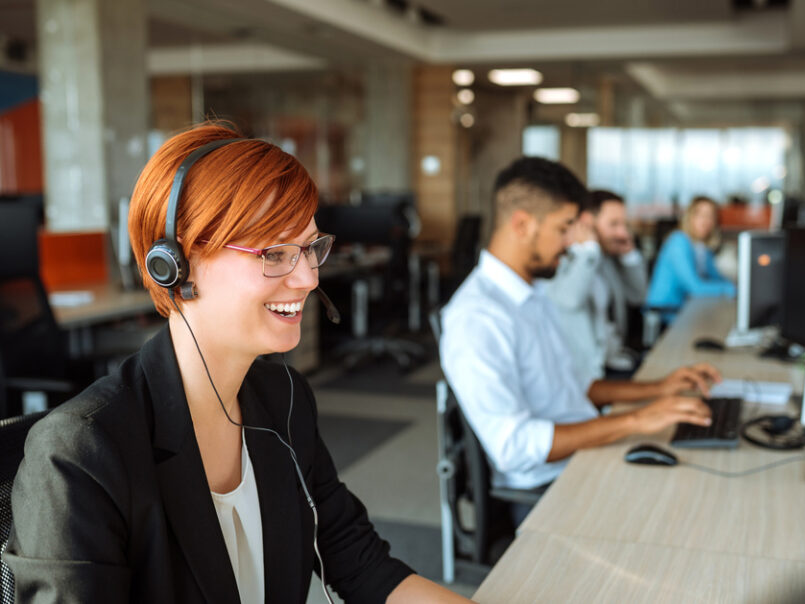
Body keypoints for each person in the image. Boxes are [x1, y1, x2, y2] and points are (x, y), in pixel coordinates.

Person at [3, 124, 470, 604]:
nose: (309, 278)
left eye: (310, 248)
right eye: (275, 253)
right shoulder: (81, 454)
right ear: (177, 262)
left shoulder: (283, 398)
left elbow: (365, 567)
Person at [439, 157, 718, 521]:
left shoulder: (533, 293)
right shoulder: (477, 318)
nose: (573, 243)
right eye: (564, 228)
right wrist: (637, 420)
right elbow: (514, 447)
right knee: (692, 511)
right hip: (548, 488)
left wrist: (658, 390)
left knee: (706, 481)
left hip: (587, 454)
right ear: (522, 224)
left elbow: (576, 387)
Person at [543, 189, 647, 383]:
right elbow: (569, 300)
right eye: (614, 224)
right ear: (587, 222)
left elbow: (638, 296)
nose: (623, 233)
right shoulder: (566, 258)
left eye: (624, 224)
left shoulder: (606, 259)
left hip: (615, 362)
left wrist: (629, 256)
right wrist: (588, 250)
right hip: (586, 377)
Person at [646, 195, 735, 316]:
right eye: (701, 215)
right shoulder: (678, 241)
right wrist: (730, 289)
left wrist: (735, 285)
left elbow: (715, 277)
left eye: (711, 216)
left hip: (686, 307)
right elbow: (695, 288)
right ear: (690, 217)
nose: (706, 221)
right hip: (665, 312)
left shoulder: (701, 247)